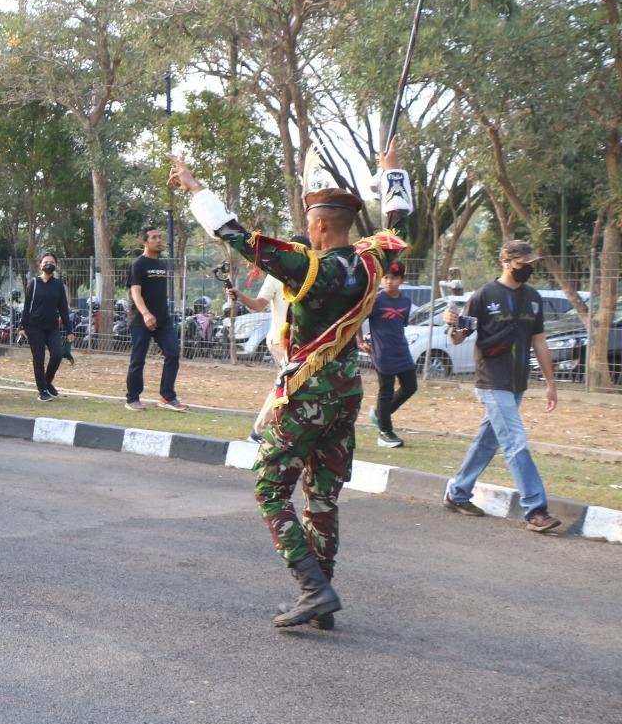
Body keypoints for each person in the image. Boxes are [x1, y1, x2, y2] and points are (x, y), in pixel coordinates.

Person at [170, 142, 412, 629]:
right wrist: (392, 172)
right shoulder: (371, 262)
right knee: (322, 495)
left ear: (320, 225)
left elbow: (238, 236)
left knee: (269, 487)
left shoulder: (309, 266)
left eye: (310, 224)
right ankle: (320, 597)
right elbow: (398, 226)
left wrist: (196, 188)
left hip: (306, 393)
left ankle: (312, 588)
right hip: (347, 392)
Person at [441, 240, 562, 534]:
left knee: (488, 441)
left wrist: (550, 382)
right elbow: (458, 337)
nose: (529, 267)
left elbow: (539, 341)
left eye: (531, 262)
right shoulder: (484, 296)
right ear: (507, 262)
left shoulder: (533, 297)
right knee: (515, 441)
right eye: (524, 263)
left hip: (517, 382)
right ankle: (536, 509)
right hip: (492, 380)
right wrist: (451, 323)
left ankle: (457, 493)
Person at [226, 239, 305, 443]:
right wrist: (239, 295)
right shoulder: (276, 277)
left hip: (301, 345)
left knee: (297, 387)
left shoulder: (310, 276)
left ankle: (284, 430)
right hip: (280, 342)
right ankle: (258, 432)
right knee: (285, 384)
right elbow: (259, 305)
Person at [126, 227, 187, 413]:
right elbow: (135, 293)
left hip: (163, 320)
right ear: (145, 242)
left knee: (173, 353)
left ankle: (167, 396)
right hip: (141, 320)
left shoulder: (162, 265)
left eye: (160, 237)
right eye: (154, 237)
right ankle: (132, 398)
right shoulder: (138, 264)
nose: (159, 240)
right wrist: (145, 314)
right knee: (138, 360)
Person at [359, 262, 417, 448]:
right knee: (386, 390)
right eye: (386, 277)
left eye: (394, 277)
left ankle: (380, 415)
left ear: (402, 280)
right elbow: (358, 319)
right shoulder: (375, 300)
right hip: (382, 352)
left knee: (410, 386)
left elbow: (401, 325)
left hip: (402, 350)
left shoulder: (405, 302)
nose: (389, 281)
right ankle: (385, 432)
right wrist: (360, 342)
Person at [22, 252, 73, 402]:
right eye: (45, 262)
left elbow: (63, 308)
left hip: (52, 328)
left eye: (52, 262)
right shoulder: (34, 283)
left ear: (56, 266)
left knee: (57, 355)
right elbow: (27, 306)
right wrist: (22, 326)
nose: (48, 264)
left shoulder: (58, 285)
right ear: (40, 265)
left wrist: (69, 330)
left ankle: (47, 381)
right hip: (34, 327)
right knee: (39, 359)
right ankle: (42, 390)